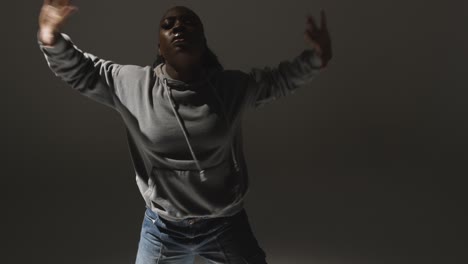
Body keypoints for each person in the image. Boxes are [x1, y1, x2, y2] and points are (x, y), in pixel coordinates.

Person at [38, 0, 332, 263]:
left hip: (225, 223)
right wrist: (50, 37)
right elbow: (84, 71)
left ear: (203, 42)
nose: (177, 27)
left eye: (188, 23)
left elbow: (277, 80)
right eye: (168, 25)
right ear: (159, 46)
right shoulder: (133, 85)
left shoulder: (229, 87)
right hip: (163, 229)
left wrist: (317, 58)